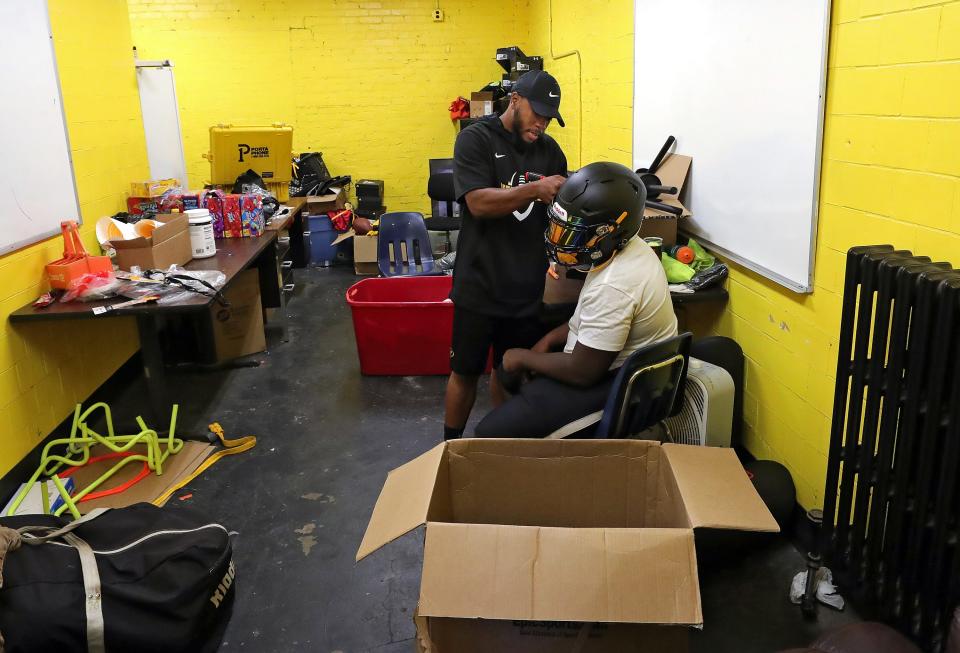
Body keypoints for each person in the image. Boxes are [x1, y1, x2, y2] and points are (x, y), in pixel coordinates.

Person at [474, 161, 678, 439]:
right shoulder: (629, 248)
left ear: (607, 232)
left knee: (489, 435)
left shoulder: (615, 284)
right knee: (519, 375)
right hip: (616, 366)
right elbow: (588, 319)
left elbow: (583, 371)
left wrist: (523, 357)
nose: (561, 240)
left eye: (573, 231)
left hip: (614, 384)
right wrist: (548, 341)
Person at [442, 70, 569, 441]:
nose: (542, 123)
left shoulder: (551, 152)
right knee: (465, 372)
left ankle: (507, 448)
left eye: (549, 117)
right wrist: (535, 189)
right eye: (537, 113)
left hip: (526, 289)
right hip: (479, 285)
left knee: (509, 371)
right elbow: (478, 202)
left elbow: (559, 214)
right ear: (515, 100)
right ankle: (449, 449)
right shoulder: (475, 139)